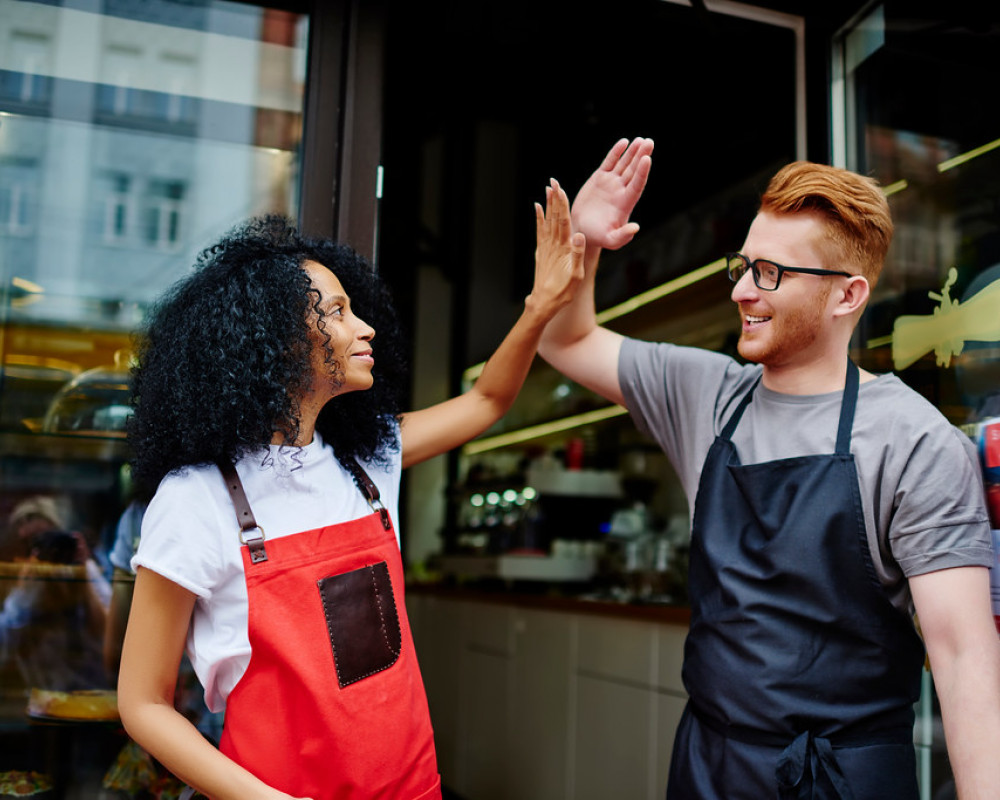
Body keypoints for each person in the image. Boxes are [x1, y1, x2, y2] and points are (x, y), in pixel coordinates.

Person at [540, 138, 1000, 799]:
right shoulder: (704, 395)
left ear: (847, 296)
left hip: (844, 780)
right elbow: (565, 338)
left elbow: (962, 656)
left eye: (770, 273)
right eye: (743, 266)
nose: (740, 290)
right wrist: (582, 246)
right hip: (708, 767)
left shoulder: (915, 441)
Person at [116, 179, 585, 800]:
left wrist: (539, 306)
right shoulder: (198, 498)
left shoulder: (366, 463)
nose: (365, 328)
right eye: (336, 312)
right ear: (276, 344)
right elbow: (142, 703)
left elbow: (487, 399)